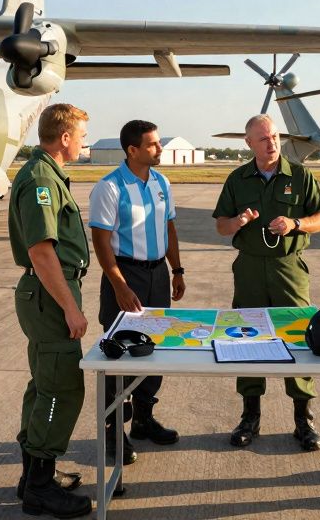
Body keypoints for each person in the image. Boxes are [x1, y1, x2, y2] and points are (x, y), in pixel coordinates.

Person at [212, 114, 320, 451]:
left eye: (275, 136)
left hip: (288, 268)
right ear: (249, 143)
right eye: (263, 139)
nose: (272, 143)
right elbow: (221, 226)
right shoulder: (238, 179)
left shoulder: (301, 175)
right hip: (249, 269)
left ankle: (303, 419)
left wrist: (296, 224)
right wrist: (237, 221)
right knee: (246, 339)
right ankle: (250, 417)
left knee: (297, 337)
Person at [9, 103, 94, 519]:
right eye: (80, 136)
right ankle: (40, 489)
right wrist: (71, 310)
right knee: (62, 386)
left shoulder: (47, 173)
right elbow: (42, 253)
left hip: (49, 291)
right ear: (64, 138)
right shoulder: (41, 178)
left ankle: (33, 477)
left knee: (44, 383)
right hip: (50, 293)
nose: (83, 143)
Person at [89, 120, 186, 465]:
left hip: (157, 273)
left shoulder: (161, 182)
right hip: (125, 274)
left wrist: (177, 269)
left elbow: (169, 227)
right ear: (132, 150)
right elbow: (101, 243)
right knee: (120, 357)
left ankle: (144, 419)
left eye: (159, 143)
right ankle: (115, 431)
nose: (160, 149)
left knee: (154, 351)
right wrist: (119, 286)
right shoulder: (109, 187)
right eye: (153, 145)